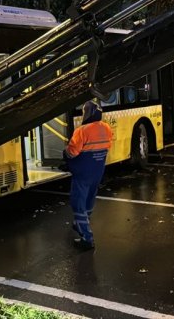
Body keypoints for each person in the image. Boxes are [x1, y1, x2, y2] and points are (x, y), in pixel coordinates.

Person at [64, 100, 112, 250]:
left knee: (79, 203)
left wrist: (64, 156)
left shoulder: (82, 130)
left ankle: (87, 237)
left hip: (83, 173)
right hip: (97, 172)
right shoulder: (106, 128)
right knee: (90, 199)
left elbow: (72, 152)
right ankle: (80, 223)